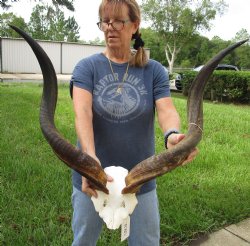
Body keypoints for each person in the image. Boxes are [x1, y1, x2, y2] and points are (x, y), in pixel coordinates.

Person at [70, 0, 198, 245]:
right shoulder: (87, 67)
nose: (110, 27)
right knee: (84, 239)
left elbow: (166, 110)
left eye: (118, 21)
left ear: (135, 26)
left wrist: (172, 135)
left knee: (146, 241)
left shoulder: (154, 70)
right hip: (93, 177)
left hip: (140, 180)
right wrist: (89, 161)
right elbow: (82, 113)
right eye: (105, 21)